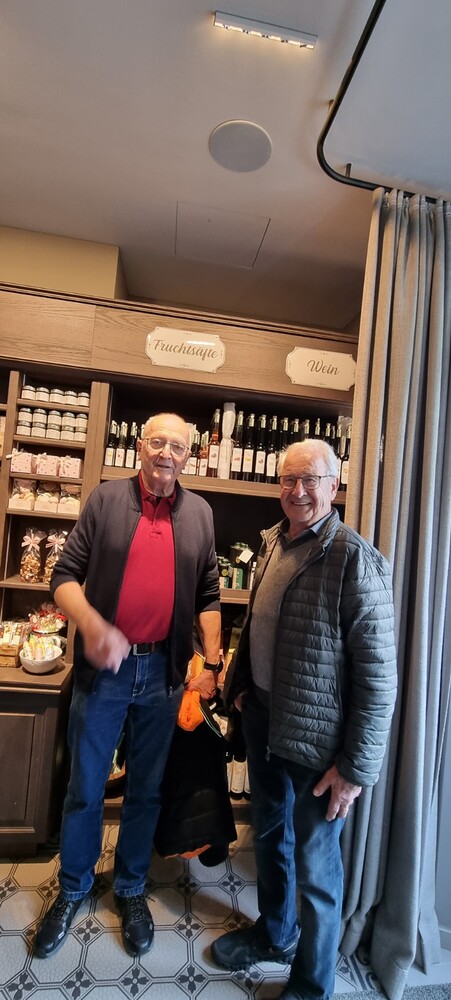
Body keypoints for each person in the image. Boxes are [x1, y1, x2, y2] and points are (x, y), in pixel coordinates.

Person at [211, 439, 397, 1000]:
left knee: (318, 868)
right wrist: (242, 690)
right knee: (270, 836)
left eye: (309, 480)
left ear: (333, 486)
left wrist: (355, 770)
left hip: (320, 744)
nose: (297, 491)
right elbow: (260, 624)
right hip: (264, 721)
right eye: (288, 480)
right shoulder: (272, 540)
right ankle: (275, 934)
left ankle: (313, 986)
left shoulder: (354, 559)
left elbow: (378, 680)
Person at [34, 412, 222, 959]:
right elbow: (63, 577)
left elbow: (209, 593)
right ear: (140, 446)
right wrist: (92, 625)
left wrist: (211, 661)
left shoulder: (201, 514)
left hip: (164, 674)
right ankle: (73, 887)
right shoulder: (106, 500)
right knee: (85, 787)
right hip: (105, 673)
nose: (167, 453)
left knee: (147, 789)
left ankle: (132, 885)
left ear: (189, 456)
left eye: (178, 446)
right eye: (158, 442)